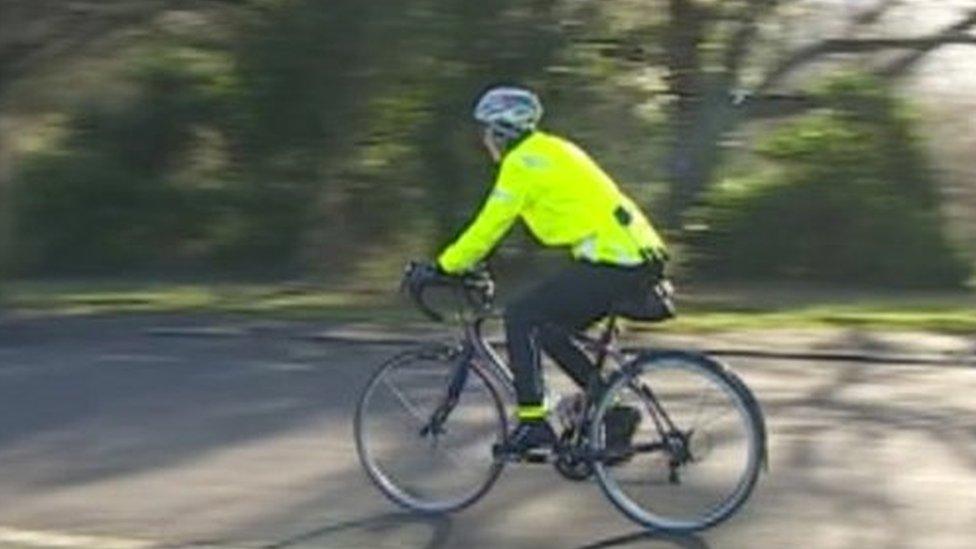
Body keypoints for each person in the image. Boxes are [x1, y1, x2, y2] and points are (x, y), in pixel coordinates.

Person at [428, 85, 669, 457]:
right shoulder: (555, 148)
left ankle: (533, 423)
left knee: (521, 316)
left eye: (488, 130)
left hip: (615, 259)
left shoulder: (522, 162)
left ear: (502, 130)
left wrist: (444, 266)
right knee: (551, 329)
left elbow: (491, 224)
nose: (485, 139)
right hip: (635, 255)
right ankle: (613, 411)